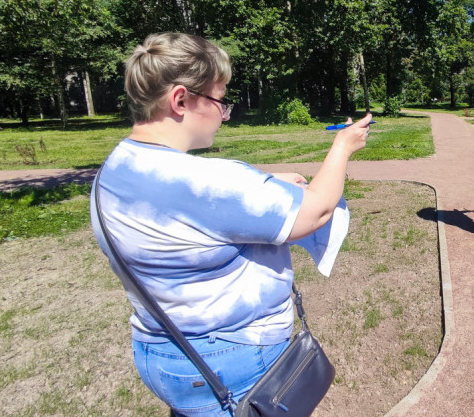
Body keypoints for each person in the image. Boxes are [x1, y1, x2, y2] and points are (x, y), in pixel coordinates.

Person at [90, 32, 371, 416]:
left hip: (159, 352)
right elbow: (317, 210)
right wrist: (343, 146)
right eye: (220, 101)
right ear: (181, 99)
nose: (224, 114)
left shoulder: (112, 170)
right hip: (231, 361)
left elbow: (190, 212)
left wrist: (265, 181)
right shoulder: (208, 181)